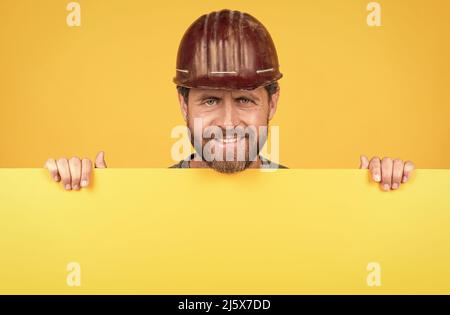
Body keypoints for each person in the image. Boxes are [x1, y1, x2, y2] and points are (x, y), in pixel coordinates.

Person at [44, 9, 415, 192]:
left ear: (272, 103)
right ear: (182, 103)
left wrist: (384, 197)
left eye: (244, 99)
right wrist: (93, 211)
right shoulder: (147, 206)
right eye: (208, 101)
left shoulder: (308, 207)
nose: (228, 121)